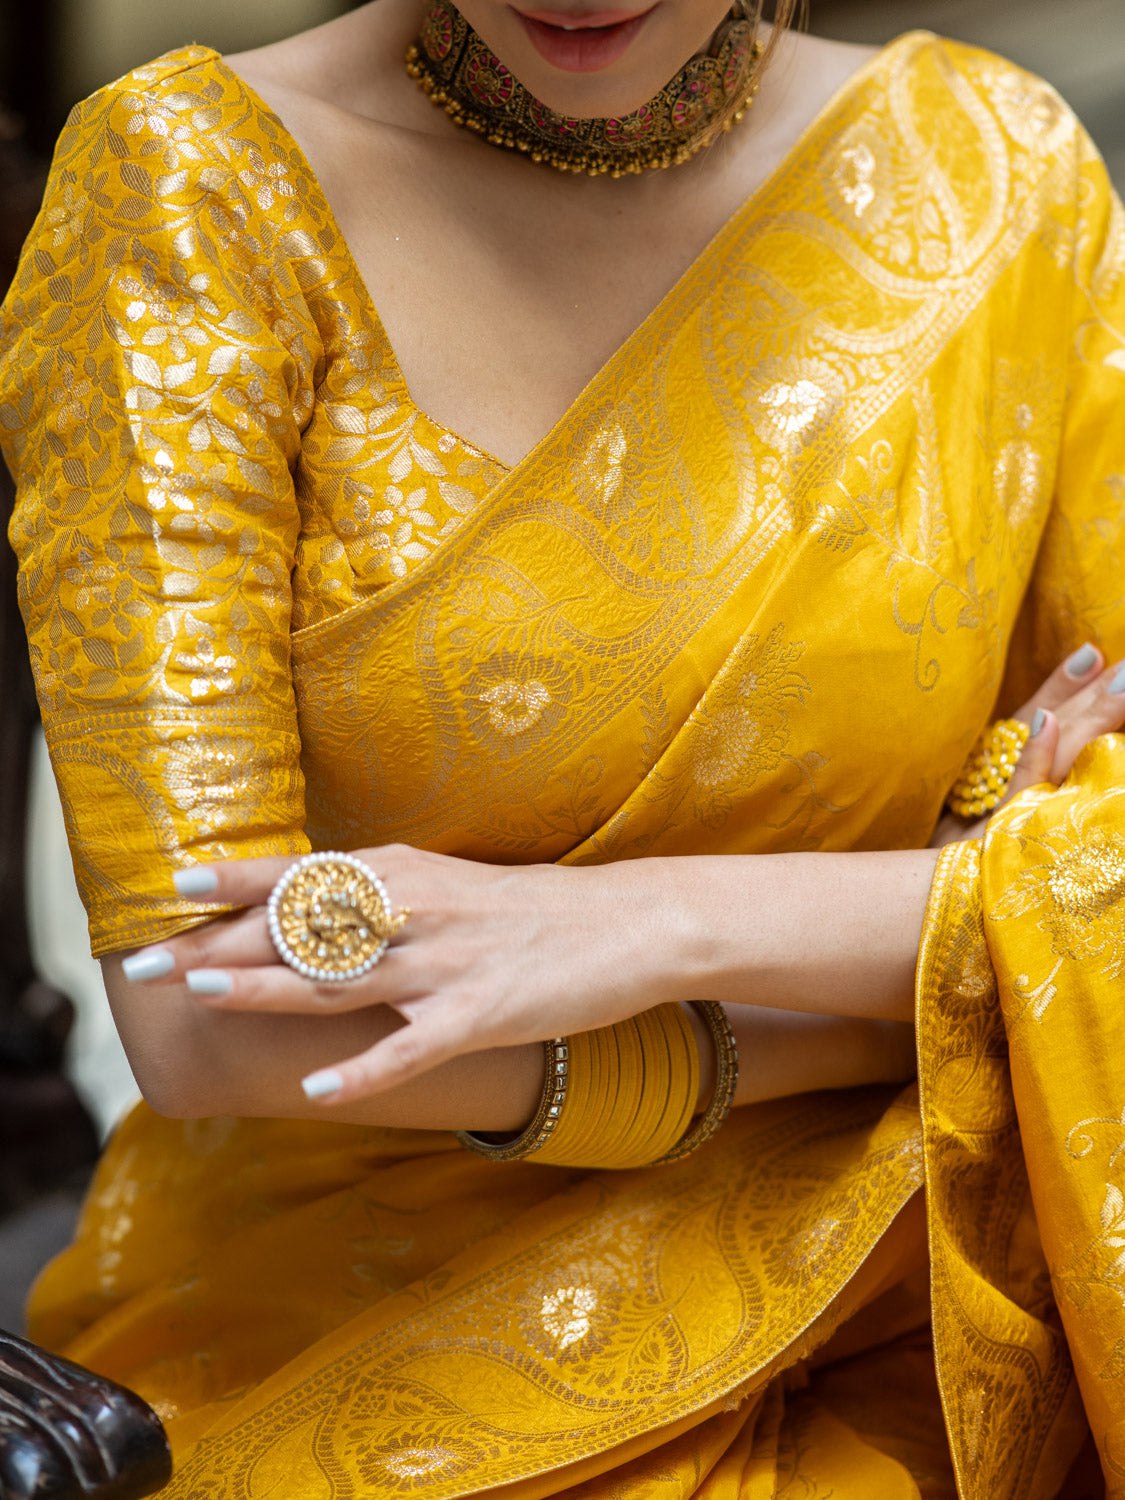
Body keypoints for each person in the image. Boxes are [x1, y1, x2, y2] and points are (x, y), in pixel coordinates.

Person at [0, 0, 1123, 1492]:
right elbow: (215, 1017)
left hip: (955, 1242)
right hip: (366, 1313)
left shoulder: (993, 170)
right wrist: (918, 936)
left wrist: (639, 925)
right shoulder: (193, 188)